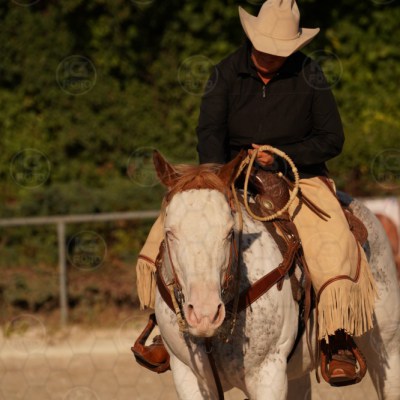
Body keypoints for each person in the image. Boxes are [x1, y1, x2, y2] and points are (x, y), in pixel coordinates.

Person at [136, 0, 376, 385]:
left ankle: (337, 336)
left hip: (298, 177)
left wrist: (281, 156)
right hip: (227, 175)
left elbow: (332, 138)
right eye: (265, 48)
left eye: (279, 51)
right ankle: (164, 326)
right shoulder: (224, 73)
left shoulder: (310, 74)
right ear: (252, 39)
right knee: (168, 232)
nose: (270, 56)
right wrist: (216, 179)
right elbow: (209, 133)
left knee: (331, 238)